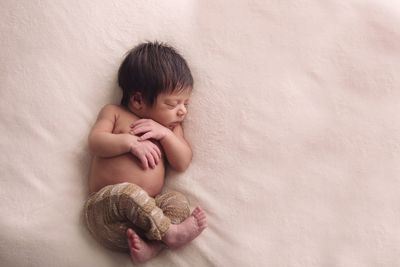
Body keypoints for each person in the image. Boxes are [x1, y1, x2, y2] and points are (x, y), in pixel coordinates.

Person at [83, 41, 207, 263]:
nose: (182, 111)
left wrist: (166, 135)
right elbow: (95, 142)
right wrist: (130, 143)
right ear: (138, 100)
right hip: (106, 211)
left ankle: (154, 246)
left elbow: (182, 162)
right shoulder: (115, 113)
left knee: (177, 201)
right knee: (129, 193)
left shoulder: (170, 129)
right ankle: (170, 234)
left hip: (145, 221)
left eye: (185, 103)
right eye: (172, 104)